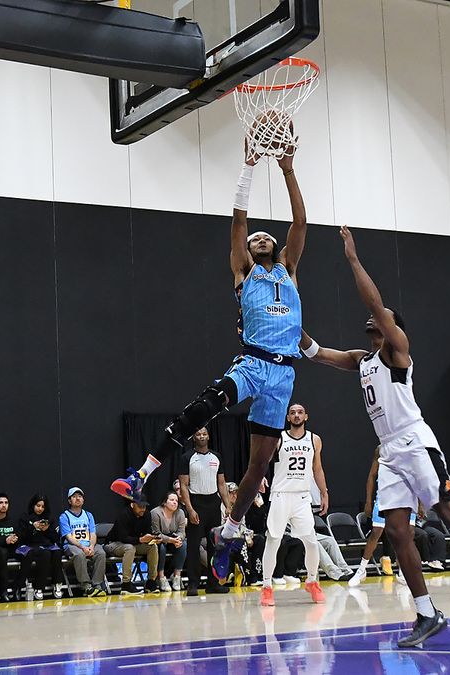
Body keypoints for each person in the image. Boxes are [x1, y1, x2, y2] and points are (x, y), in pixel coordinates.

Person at [300, 225, 450, 648]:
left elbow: (373, 300)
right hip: (390, 452)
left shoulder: (397, 352)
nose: (373, 315)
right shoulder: (362, 359)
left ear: (392, 325)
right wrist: (284, 319)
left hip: (416, 442)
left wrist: (353, 260)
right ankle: (427, 613)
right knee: (395, 530)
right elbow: (317, 352)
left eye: (382, 314)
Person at [112, 139, 308, 559]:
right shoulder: (245, 272)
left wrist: (288, 170)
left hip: (284, 374)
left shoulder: (289, 271)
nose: (257, 238)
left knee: (260, 463)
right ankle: (142, 473)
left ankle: (231, 529)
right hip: (254, 363)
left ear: (276, 247)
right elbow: (238, 222)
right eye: (253, 238)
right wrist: (250, 165)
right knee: (202, 408)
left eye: (264, 236)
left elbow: (300, 223)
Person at [259, 403, 328, 606]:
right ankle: (266, 587)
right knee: (273, 540)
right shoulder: (279, 438)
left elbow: (318, 469)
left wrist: (324, 493)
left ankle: (313, 582)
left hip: (302, 497)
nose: (296, 415)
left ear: (306, 416)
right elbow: (263, 460)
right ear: (288, 418)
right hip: (281, 495)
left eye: (300, 412)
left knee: (312, 542)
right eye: (292, 413)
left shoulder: (314, 439)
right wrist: (261, 476)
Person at [177, 427, 230, 596]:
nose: (201, 436)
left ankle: (213, 583)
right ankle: (193, 584)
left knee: (215, 546)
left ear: (208, 436)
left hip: (213, 503)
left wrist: (227, 505)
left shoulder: (216, 456)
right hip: (196, 503)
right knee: (193, 546)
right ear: (194, 437)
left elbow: (221, 484)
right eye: (198, 433)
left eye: (204, 433)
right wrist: (190, 509)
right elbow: (184, 485)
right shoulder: (187, 457)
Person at [347, 450, 395, 587]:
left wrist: (420, 502)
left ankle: (403, 572)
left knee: (405, 534)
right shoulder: (380, 449)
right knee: (376, 532)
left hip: (403, 496)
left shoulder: (407, 446)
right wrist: (368, 501)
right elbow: (372, 475)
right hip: (383, 497)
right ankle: (361, 570)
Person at [59, 487, 108, 597]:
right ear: (69, 500)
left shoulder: (88, 515)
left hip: (88, 544)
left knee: (101, 553)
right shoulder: (64, 516)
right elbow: (68, 537)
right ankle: (85, 585)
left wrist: (91, 546)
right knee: (79, 554)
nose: (77, 499)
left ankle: (97, 583)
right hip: (72, 545)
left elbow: (93, 534)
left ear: (83, 500)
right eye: (74, 496)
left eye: (80, 496)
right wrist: (83, 547)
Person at [17, 494, 65, 600]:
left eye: (43, 507)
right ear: (33, 505)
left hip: (47, 545)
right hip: (31, 545)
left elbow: (55, 538)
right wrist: (32, 527)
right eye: (38, 505)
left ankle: (57, 584)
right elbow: (22, 537)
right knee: (45, 554)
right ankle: (38, 587)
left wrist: (47, 530)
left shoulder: (49, 518)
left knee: (57, 552)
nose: (40, 509)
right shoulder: (25, 517)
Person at [104, 496, 155, 594]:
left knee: (152, 547)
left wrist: (152, 538)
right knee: (130, 548)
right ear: (132, 505)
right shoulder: (124, 515)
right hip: (113, 544)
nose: (143, 509)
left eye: (144, 506)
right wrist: (140, 539)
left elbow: (147, 532)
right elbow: (123, 538)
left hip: (134, 543)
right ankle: (126, 584)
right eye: (140, 506)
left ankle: (151, 581)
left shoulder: (147, 515)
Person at [151, 491, 188, 592]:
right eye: (172, 500)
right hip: (159, 540)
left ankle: (177, 576)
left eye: (176, 500)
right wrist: (170, 540)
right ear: (164, 502)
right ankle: (161, 577)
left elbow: (182, 532)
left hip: (173, 539)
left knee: (183, 544)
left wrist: (178, 539)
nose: (175, 502)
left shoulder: (180, 512)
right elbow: (156, 533)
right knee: (161, 548)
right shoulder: (155, 513)